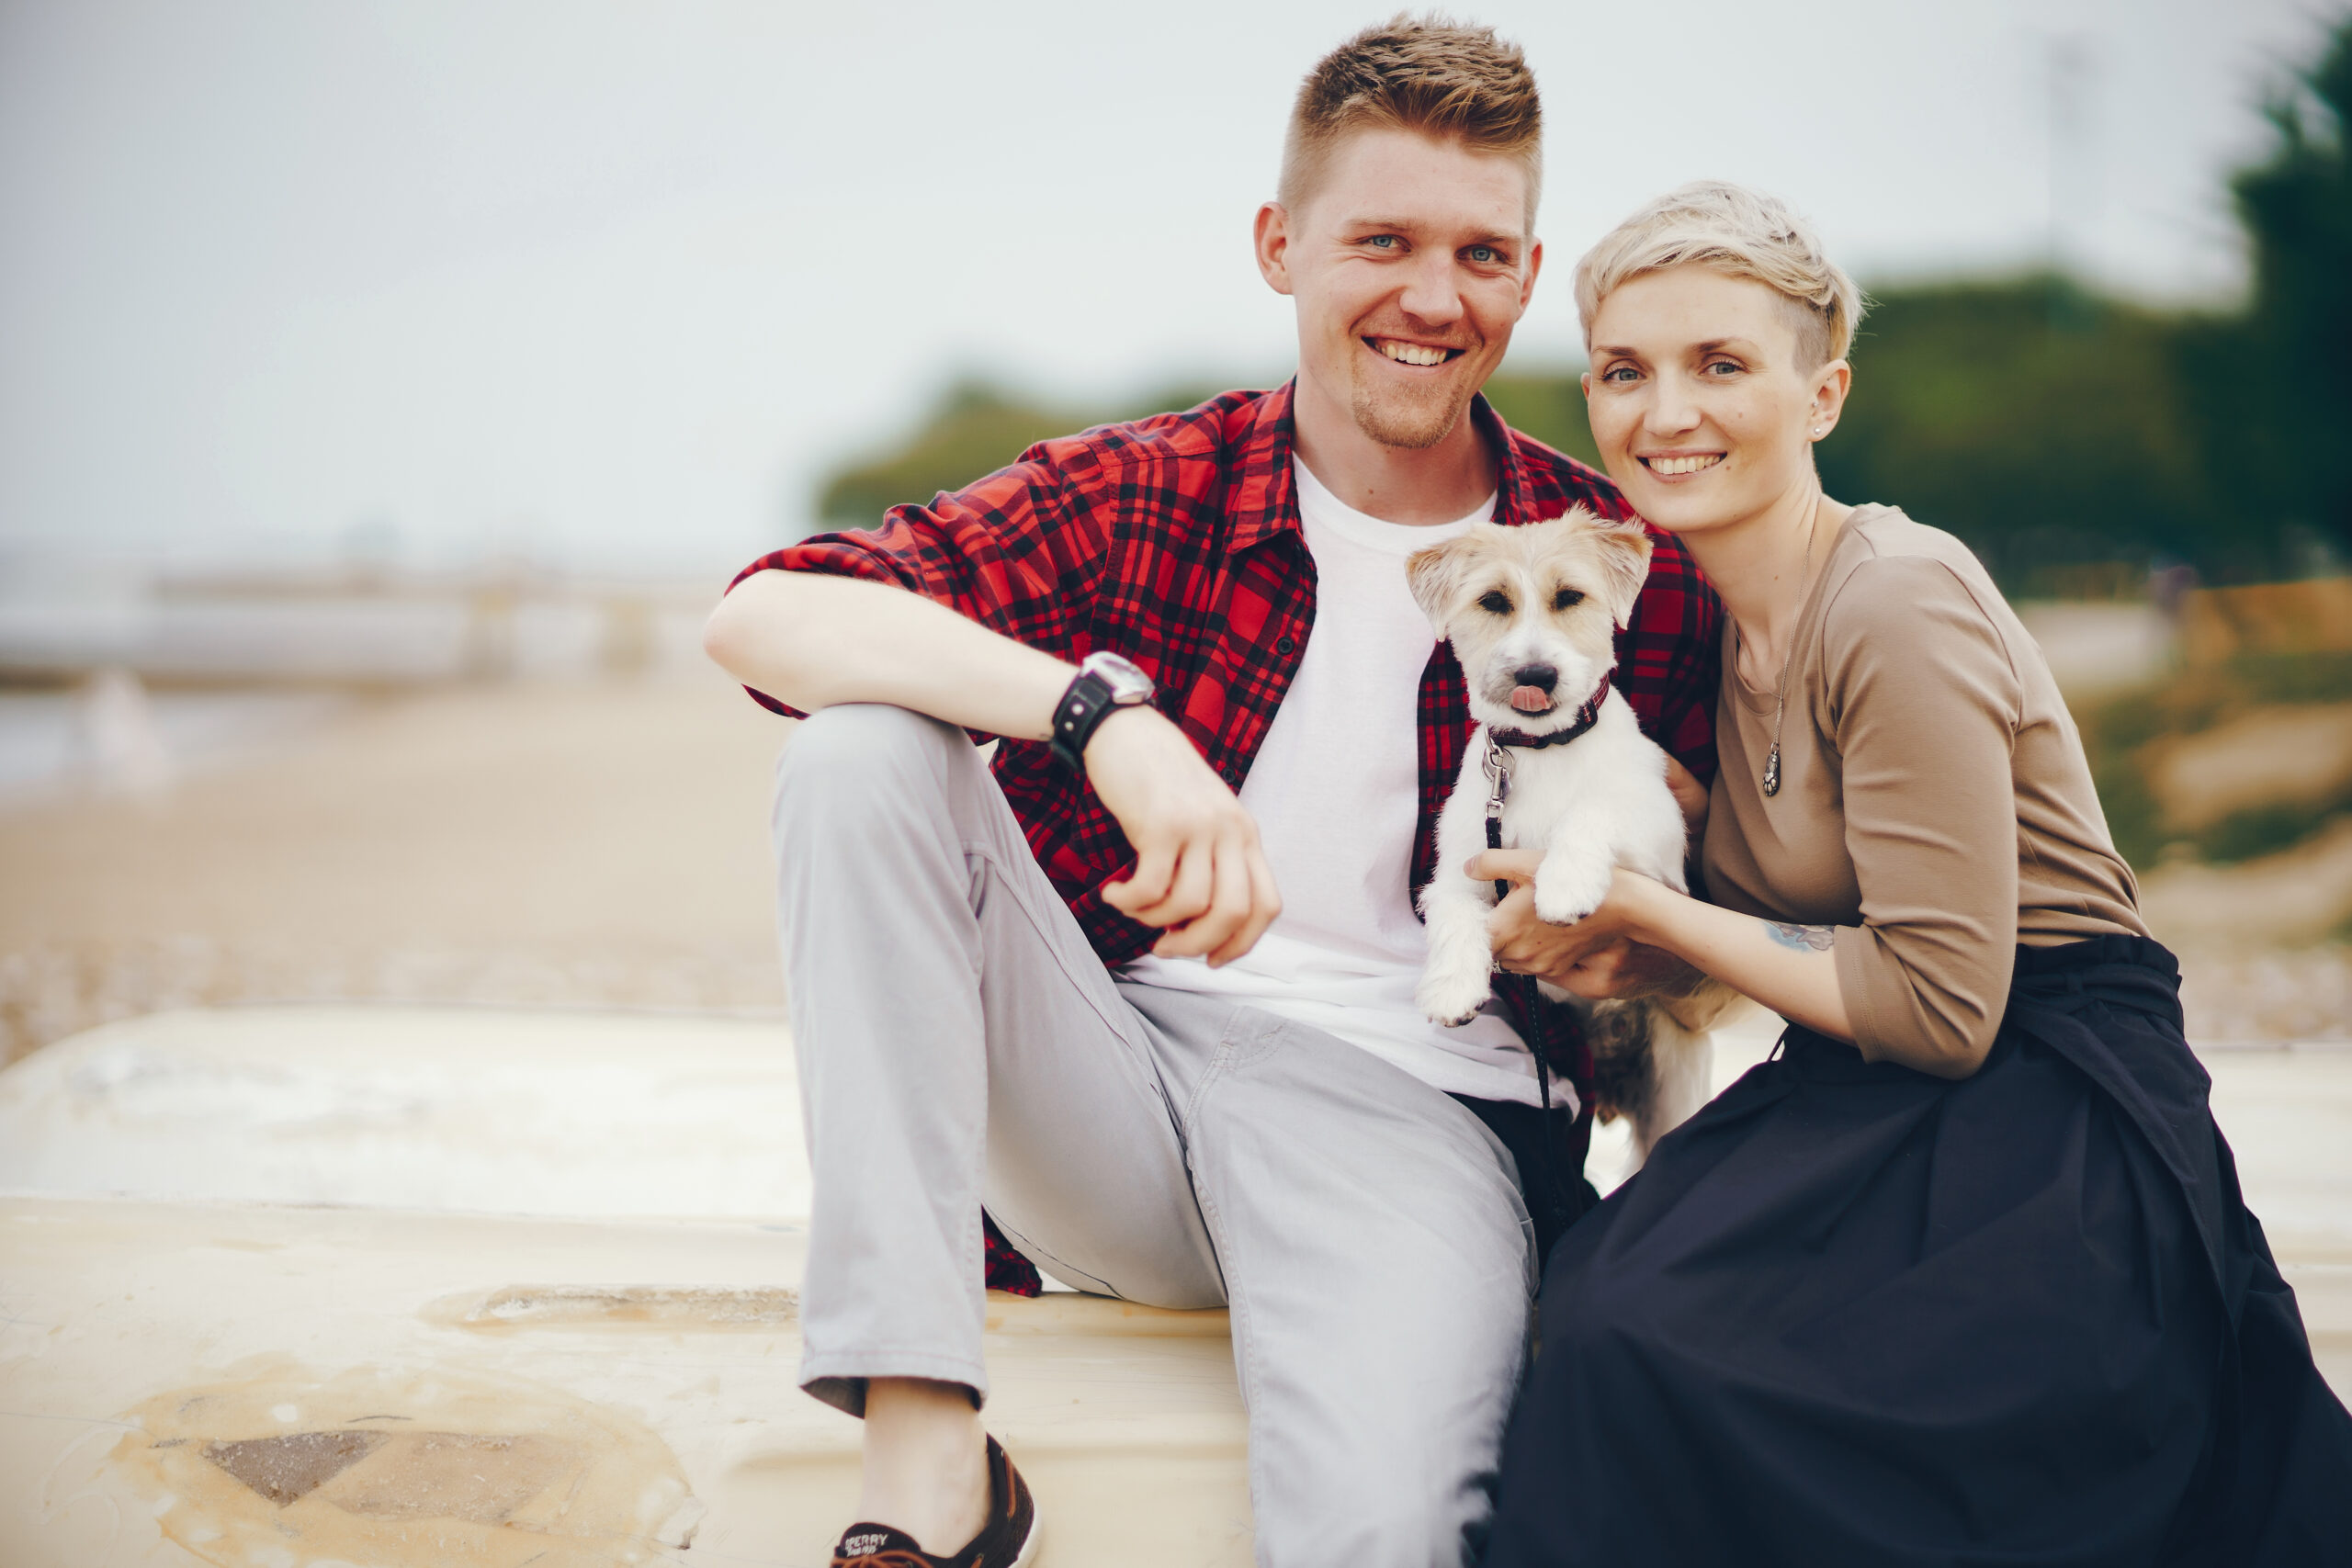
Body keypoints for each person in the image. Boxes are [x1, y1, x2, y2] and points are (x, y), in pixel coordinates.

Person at [702, 19, 1723, 1568]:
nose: (1431, 299)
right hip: (1103, 1066)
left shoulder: (1606, 557)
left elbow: (1754, 867)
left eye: (1480, 254)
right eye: (1381, 240)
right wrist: (1102, 714)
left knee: (1386, 1535)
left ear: (1526, 273)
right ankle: (925, 1458)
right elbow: (768, 615)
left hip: (1417, 1114)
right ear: (1280, 245)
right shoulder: (1150, 489)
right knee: (859, 750)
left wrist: (1645, 935)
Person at [1476, 181, 2352, 1566]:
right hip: (1865, 1087)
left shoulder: (1894, 597)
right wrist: (1616, 941)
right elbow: (1775, 947)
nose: (1666, 413)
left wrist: (1656, 909)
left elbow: (1948, 1006)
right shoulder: (1695, 628)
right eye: (1625, 371)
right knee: (1593, 1295)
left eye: (1722, 366)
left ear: (1822, 395)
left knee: (1669, 1349)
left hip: (2053, 1103)